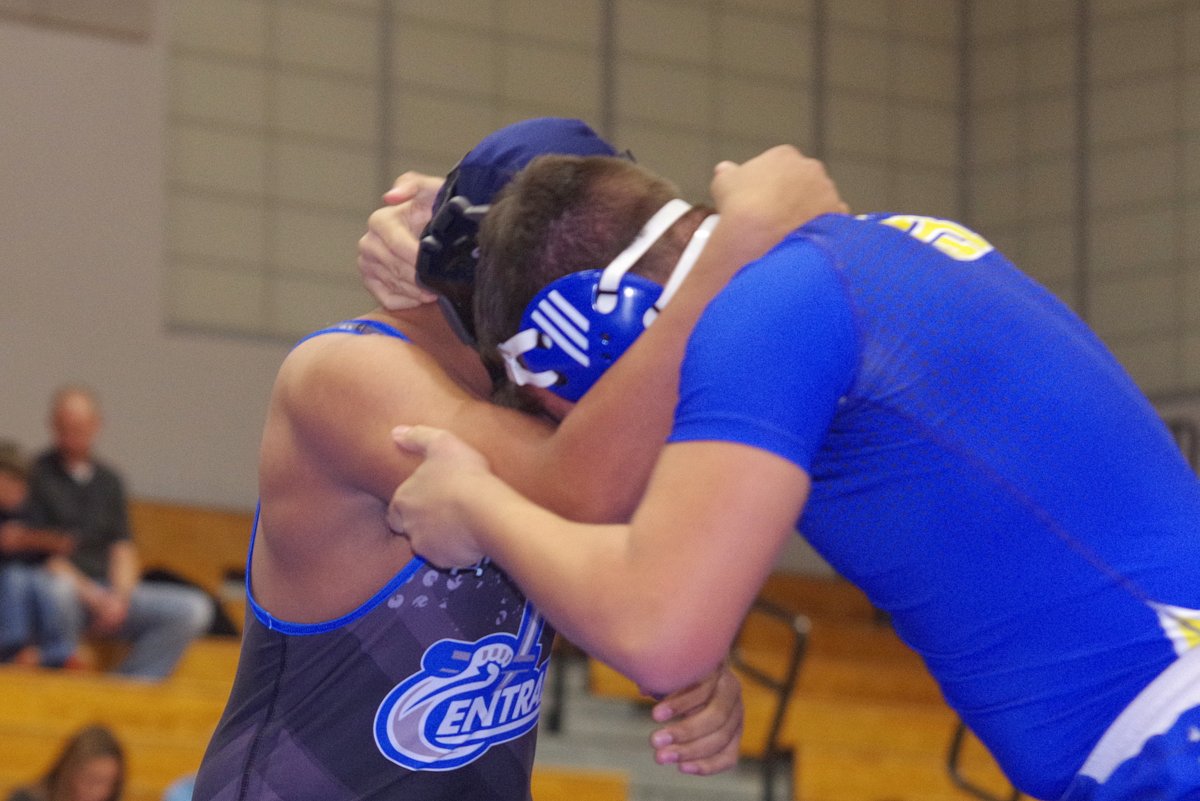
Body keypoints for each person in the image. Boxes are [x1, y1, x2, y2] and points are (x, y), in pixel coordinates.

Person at [389, 152, 1200, 801]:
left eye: (589, 402)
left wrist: (475, 501)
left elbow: (659, 628)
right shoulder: (868, 251)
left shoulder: (767, 308)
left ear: (598, 326)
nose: (623, 433)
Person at [192, 118, 845, 801]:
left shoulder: (546, 416)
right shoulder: (346, 373)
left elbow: (631, 570)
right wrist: (728, 258)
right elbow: (573, 494)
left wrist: (694, 668)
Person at [26, 386, 214, 680]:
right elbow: (41, 555)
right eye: (64, 427)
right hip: (66, 592)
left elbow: (122, 546)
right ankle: (62, 676)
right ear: (53, 425)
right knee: (55, 592)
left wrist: (120, 599)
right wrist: (94, 597)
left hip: (109, 591)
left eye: (79, 427)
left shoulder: (109, 480)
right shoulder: (35, 475)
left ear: (96, 425)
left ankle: (128, 686)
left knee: (193, 608)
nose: (72, 435)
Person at [0, 440, 79, 667]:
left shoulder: (34, 509)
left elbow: (64, 543)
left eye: (16, 482)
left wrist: (26, 538)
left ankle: (59, 653)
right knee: (16, 577)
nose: (10, 488)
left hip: (36, 580)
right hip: (9, 583)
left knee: (53, 585)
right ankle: (11, 650)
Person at [6, 723, 125, 801]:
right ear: (69, 771)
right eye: (90, 779)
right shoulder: (26, 798)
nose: (97, 791)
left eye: (108, 782)